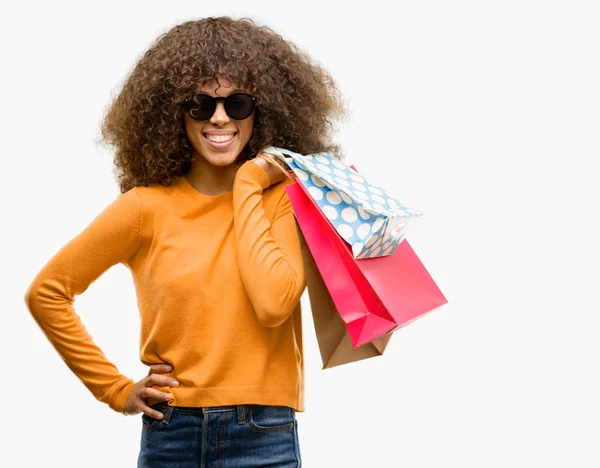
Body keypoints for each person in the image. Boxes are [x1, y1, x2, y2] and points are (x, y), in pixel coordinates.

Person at [23, 15, 346, 468]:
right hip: (172, 431)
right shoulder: (144, 208)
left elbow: (274, 303)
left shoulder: (282, 201)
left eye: (237, 103)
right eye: (200, 104)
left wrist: (251, 183)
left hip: (264, 434)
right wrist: (116, 391)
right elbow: (48, 292)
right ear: (174, 113)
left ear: (262, 111)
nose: (219, 117)